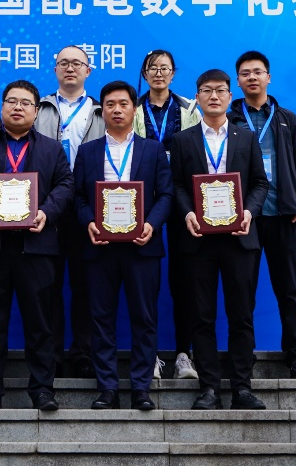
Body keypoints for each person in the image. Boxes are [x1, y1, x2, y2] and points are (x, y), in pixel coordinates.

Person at [0, 79, 73, 411]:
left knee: (40, 322)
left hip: (37, 246)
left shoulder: (52, 148)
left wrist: (46, 212)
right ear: (2, 106)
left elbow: (66, 184)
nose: (18, 107)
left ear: (36, 111)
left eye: (25, 103)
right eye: (12, 101)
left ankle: (42, 389)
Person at [170, 68, 270, 411]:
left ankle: (242, 388)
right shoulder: (182, 140)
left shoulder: (246, 137)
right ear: (197, 97)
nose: (214, 96)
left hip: (239, 237)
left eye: (220, 90)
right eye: (206, 90)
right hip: (198, 239)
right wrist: (187, 213)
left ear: (230, 96)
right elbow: (177, 185)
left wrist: (249, 212)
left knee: (241, 315)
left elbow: (260, 183)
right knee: (202, 316)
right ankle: (209, 388)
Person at [73, 81, 173, 411]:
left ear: (134, 109)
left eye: (123, 104)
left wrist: (151, 224)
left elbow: (166, 195)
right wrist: (89, 222)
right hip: (99, 246)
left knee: (144, 318)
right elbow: (78, 196)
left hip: (142, 246)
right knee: (101, 318)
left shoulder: (153, 150)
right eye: (110, 104)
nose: (117, 110)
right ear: (102, 110)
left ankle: (141, 387)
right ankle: (107, 388)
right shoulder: (88, 152)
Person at [229, 50, 296, 380]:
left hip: (283, 215)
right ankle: (244, 359)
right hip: (243, 219)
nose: (252, 77)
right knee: (243, 293)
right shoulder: (230, 119)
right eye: (245, 73)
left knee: (288, 290)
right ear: (238, 81)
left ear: (268, 77)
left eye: (257, 72)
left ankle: (295, 355)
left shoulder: (286, 119)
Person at [130, 49, 201, 380]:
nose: (158, 73)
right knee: (145, 281)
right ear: (144, 74)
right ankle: (151, 355)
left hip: (184, 200)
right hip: (144, 202)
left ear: (173, 73)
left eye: (165, 68)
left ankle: (184, 354)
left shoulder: (190, 109)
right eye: (152, 68)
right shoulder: (132, 109)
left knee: (185, 279)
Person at [35, 45, 105, 378]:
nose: (70, 68)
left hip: (88, 208)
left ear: (88, 71)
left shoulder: (101, 111)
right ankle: (50, 356)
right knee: (47, 286)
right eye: (63, 63)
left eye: (77, 63)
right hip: (47, 208)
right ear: (55, 69)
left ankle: (82, 353)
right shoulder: (40, 108)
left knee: (86, 285)